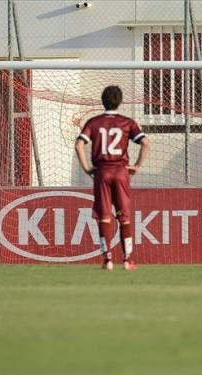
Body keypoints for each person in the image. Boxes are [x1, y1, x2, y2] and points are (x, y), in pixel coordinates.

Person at [75, 85, 150, 271]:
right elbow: (146, 144)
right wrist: (137, 167)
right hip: (121, 171)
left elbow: (79, 145)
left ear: (103, 101)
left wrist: (86, 169)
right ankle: (127, 260)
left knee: (104, 216)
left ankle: (107, 260)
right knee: (124, 216)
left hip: (102, 172)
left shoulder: (94, 122)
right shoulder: (127, 122)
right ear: (120, 101)